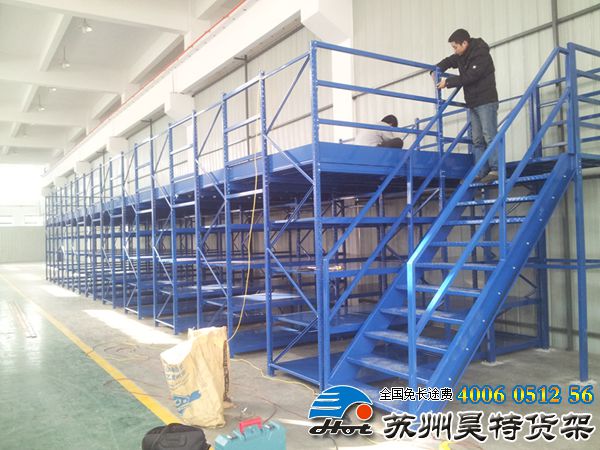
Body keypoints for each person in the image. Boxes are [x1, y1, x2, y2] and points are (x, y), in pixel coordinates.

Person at [434, 29, 498, 182]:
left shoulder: (481, 54)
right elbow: (449, 61)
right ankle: (481, 171)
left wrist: (448, 82)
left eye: (455, 47)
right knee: (477, 140)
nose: (454, 50)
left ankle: (496, 169)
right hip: (473, 103)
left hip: (486, 101)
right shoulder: (462, 55)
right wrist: (436, 69)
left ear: (464, 43)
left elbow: (471, 76)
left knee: (489, 135)